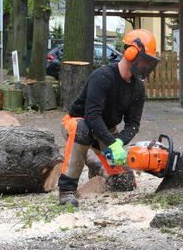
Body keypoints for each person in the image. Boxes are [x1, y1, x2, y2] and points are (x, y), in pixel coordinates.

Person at [57, 29, 160, 207]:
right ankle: (67, 189)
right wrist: (111, 143)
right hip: (77, 123)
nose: (145, 65)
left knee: (125, 184)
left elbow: (133, 124)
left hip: (106, 131)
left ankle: (94, 163)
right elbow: (91, 115)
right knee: (82, 129)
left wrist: (119, 141)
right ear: (131, 52)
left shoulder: (137, 87)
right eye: (144, 60)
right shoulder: (103, 76)